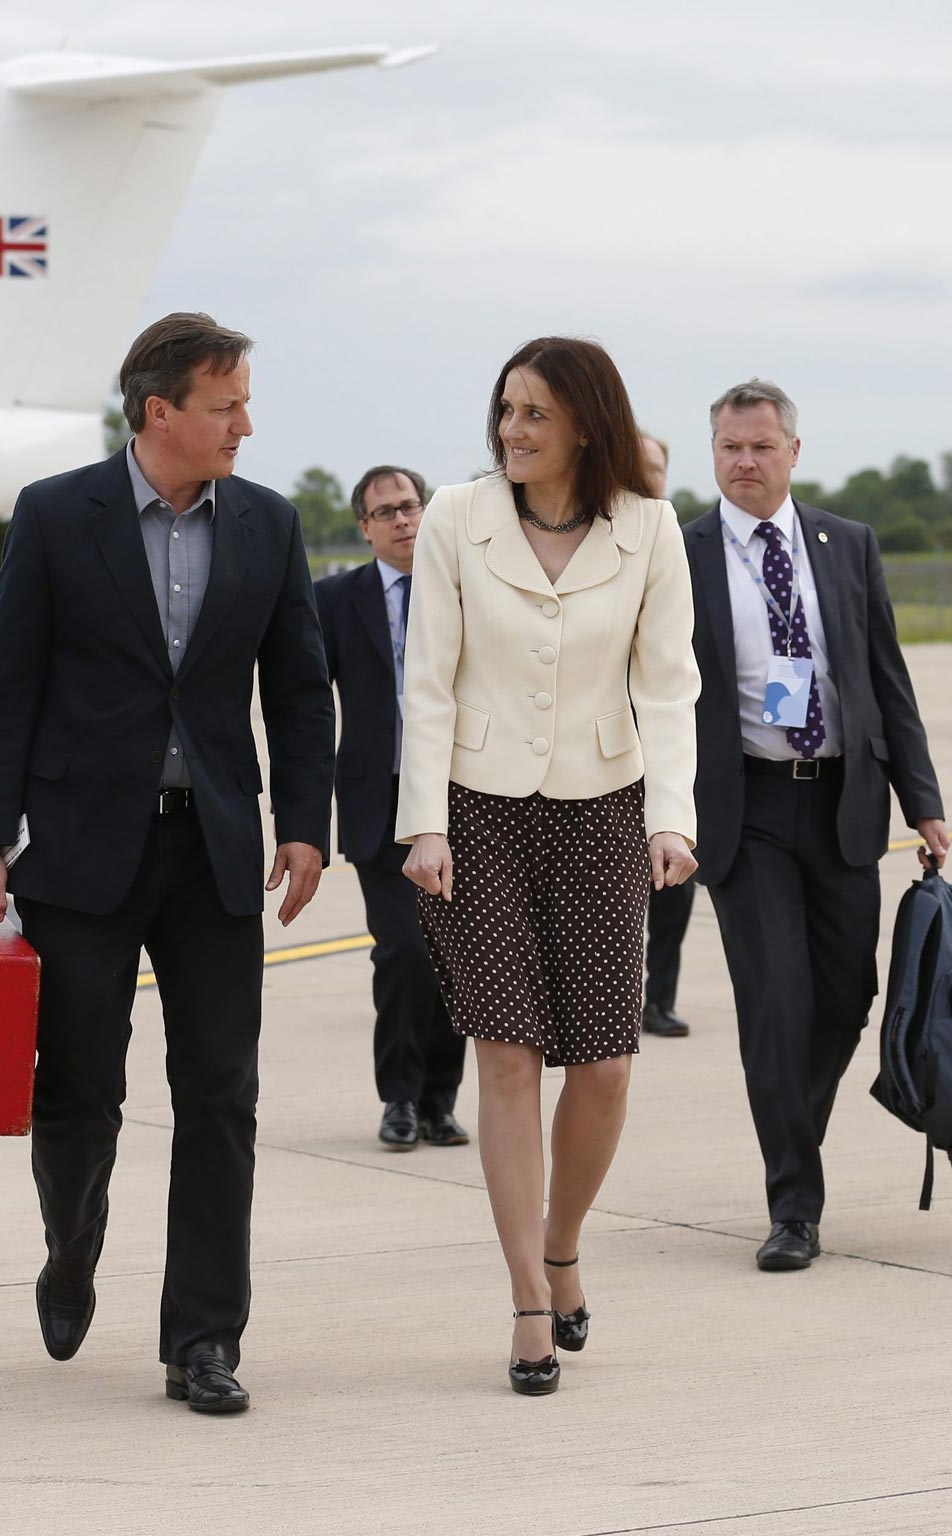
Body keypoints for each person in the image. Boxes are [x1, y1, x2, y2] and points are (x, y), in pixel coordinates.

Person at [0, 313, 335, 1414]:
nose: (245, 426)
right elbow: (8, 686)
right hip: (80, 853)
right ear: (158, 410)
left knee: (221, 1097)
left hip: (214, 850)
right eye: (226, 407)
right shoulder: (54, 514)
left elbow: (300, 689)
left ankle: (202, 1340)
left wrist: (302, 824)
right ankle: (70, 1247)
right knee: (78, 1093)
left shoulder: (266, 524)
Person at [397, 338, 699, 1395]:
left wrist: (672, 818)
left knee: (604, 1064)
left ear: (583, 423)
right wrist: (420, 823)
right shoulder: (453, 517)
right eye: (504, 411)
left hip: (603, 811)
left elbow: (666, 690)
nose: (510, 432)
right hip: (474, 815)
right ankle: (527, 1297)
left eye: (532, 414)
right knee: (509, 1058)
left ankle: (562, 1241)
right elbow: (426, 679)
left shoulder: (648, 528)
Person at [685, 380, 946, 1271]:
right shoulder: (679, 556)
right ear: (712, 453)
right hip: (745, 808)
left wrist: (925, 800)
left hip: (842, 801)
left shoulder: (847, 544)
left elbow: (886, 680)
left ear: (794, 451)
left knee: (845, 998)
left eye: (760, 446)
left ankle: (791, 1128)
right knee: (775, 1001)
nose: (744, 462)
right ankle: (793, 1202)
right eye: (729, 447)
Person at [317, 467, 467, 1152]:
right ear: (365, 528)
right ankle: (400, 1098)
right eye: (386, 513)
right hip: (383, 806)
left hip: (466, 801)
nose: (403, 521)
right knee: (405, 952)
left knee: (457, 959)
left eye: (410, 506)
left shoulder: (466, 585)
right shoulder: (336, 600)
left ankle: (441, 1101)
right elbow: (305, 705)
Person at [637, 433, 696, 1038]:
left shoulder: (678, 544)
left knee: (674, 891)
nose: (643, 476)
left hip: (671, 746)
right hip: (606, 755)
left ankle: (661, 998)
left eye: (652, 468)